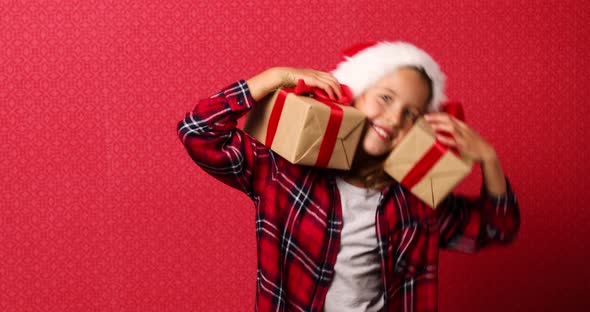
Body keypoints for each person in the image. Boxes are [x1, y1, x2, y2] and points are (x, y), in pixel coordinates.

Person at [177, 41, 520, 312]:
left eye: (411, 114)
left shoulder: (416, 202)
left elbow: (496, 229)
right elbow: (198, 132)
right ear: (353, 95)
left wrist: (488, 159)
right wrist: (273, 77)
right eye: (385, 98)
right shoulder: (285, 175)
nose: (393, 118)